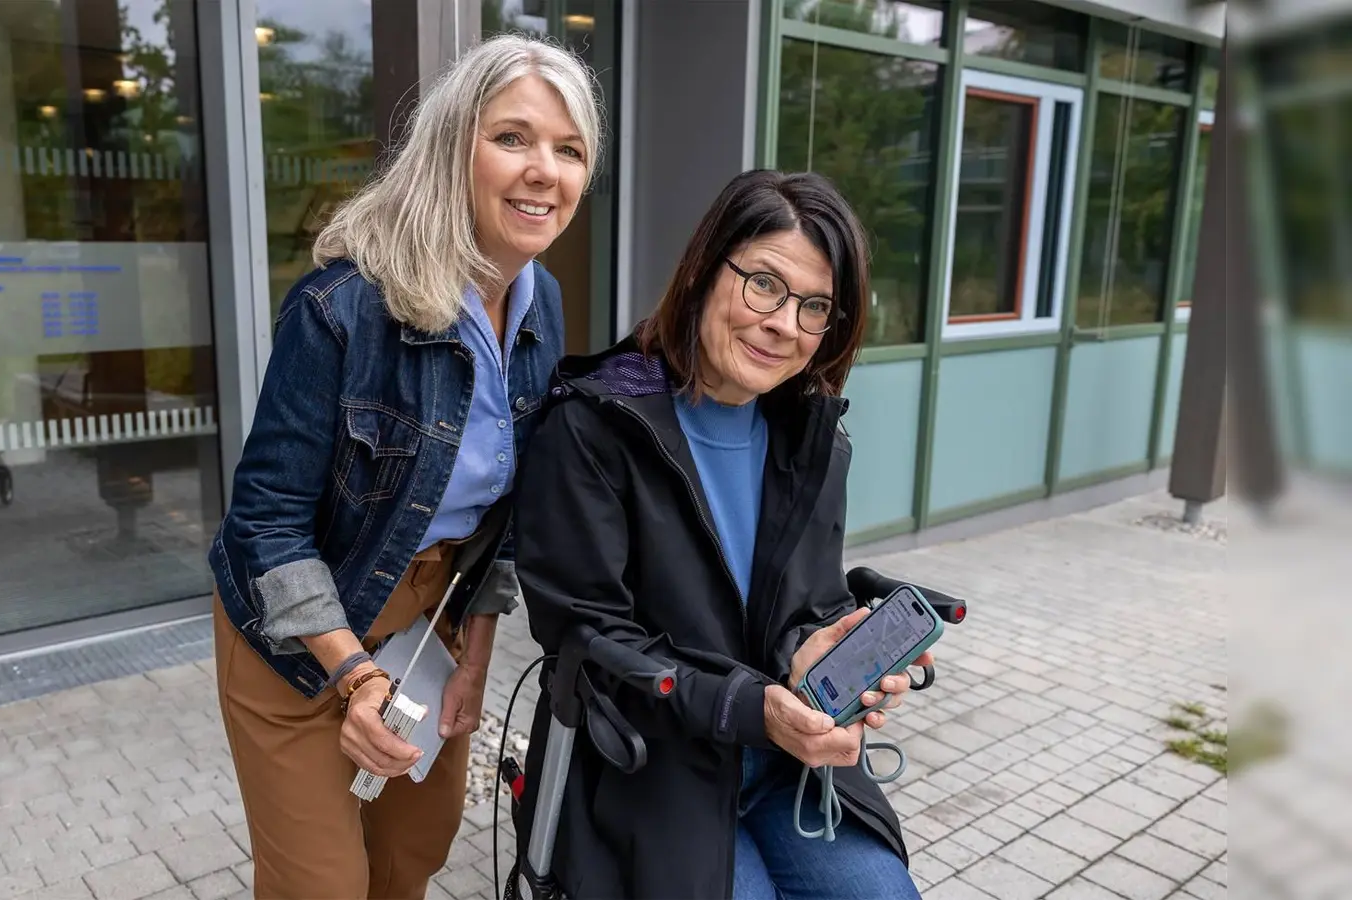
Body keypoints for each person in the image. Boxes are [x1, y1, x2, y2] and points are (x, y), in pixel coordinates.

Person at [206, 34, 602, 900]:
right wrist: (353, 676)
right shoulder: (344, 308)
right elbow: (264, 523)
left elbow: (506, 516)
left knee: (410, 858)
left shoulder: (543, 306)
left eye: (568, 150)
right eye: (513, 137)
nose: (545, 169)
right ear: (453, 144)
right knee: (324, 887)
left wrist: (473, 659)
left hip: (432, 624)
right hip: (296, 634)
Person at [512, 169, 933, 899]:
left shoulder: (812, 438)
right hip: (649, 769)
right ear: (706, 270)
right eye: (765, 285)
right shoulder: (594, 425)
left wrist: (822, 651)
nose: (783, 324)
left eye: (815, 307)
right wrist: (753, 708)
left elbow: (804, 603)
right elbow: (588, 641)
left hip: (779, 764)